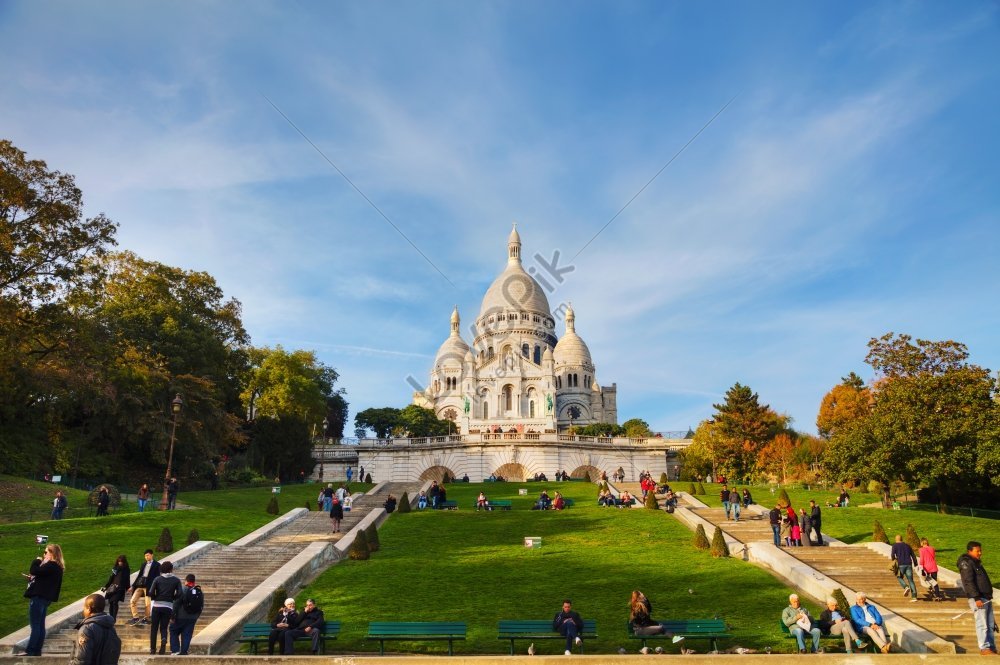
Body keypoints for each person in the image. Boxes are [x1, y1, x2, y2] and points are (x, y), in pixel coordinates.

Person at [24, 542, 65, 656]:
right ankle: (36, 650)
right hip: (46, 599)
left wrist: (37, 560)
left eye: (46, 552)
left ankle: (31, 650)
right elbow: (42, 577)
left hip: (39, 597)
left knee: (35, 625)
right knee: (40, 625)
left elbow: (34, 570)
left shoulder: (51, 565)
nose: (44, 554)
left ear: (52, 554)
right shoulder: (58, 567)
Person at [957, 541, 997, 655]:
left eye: (980, 550)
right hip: (978, 598)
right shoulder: (966, 563)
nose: (980, 553)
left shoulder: (976, 563)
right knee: (982, 624)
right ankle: (984, 647)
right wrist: (976, 598)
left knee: (989, 624)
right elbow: (968, 582)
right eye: (977, 551)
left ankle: (991, 647)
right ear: (970, 551)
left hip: (986, 597)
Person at [69, 593, 120, 665]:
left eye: (84, 607)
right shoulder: (111, 628)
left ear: (89, 609)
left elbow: (82, 661)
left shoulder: (86, 629)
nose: (83, 610)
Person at [148, 560, 182, 655]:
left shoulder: (157, 579)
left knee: (154, 628)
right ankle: (163, 640)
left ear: (162, 569)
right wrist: (172, 598)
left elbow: (150, 592)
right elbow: (180, 593)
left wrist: (155, 598)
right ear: (171, 569)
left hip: (157, 605)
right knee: (164, 627)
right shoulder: (176, 580)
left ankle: (152, 649)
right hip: (168, 606)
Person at [169, 574, 202, 655]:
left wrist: (172, 616)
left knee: (173, 631)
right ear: (194, 581)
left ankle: (176, 650)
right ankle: (184, 651)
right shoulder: (199, 591)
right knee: (187, 635)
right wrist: (195, 617)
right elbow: (201, 606)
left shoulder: (183, 589)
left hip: (180, 616)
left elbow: (176, 604)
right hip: (192, 618)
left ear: (186, 581)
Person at [127, 549, 160, 626]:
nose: (146, 557)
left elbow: (157, 577)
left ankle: (146, 618)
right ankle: (135, 617)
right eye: (145, 555)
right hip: (140, 585)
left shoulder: (157, 565)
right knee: (132, 600)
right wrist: (133, 586)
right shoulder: (143, 564)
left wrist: (155, 587)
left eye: (148, 555)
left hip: (149, 586)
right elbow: (139, 576)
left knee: (147, 604)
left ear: (152, 555)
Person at [102, 555, 131, 620]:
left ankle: (114, 618)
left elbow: (127, 579)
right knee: (111, 602)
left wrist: (128, 587)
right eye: (119, 561)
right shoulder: (115, 568)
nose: (120, 563)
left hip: (120, 588)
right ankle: (111, 617)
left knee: (115, 602)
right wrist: (106, 586)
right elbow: (111, 578)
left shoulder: (126, 569)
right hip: (113, 588)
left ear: (124, 562)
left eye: (121, 561)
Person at [891, 535, 919, 600]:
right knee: (911, 580)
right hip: (909, 564)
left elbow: (892, 555)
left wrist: (894, 560)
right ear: (902, 539)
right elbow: (913, 555)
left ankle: (905, 586)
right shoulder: (908, 546)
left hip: (900, 564)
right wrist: (915, 564)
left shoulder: (895, 545)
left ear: (896, 539)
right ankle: (914, 596)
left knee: (899, 577)